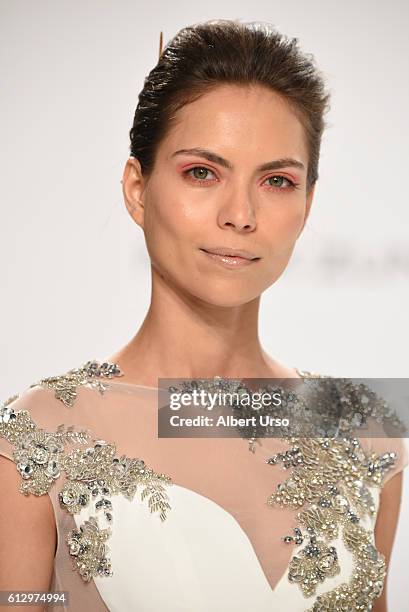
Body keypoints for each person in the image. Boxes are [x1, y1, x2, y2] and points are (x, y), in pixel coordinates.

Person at [0, 19, 407, 612]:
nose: (240, 214)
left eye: (277, 180)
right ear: (138, 188)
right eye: (201, 173)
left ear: (307, 203)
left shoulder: (364, 430)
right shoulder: (37, 436)